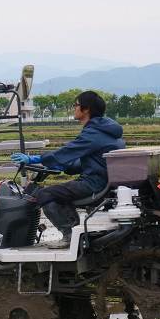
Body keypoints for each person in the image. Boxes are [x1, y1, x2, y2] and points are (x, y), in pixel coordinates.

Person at [11, 91, 125, 249]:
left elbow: (66, 152)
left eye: (76, 105)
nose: (74, 108)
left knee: (45, 194)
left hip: (93, 184)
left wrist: (34, 159)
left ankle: (69, 234)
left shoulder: (93, 133)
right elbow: (90, 161)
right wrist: (62, 166)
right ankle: (75, 229)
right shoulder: (105, 129)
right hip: (101, 179)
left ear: (86, 109)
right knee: (59, 191)